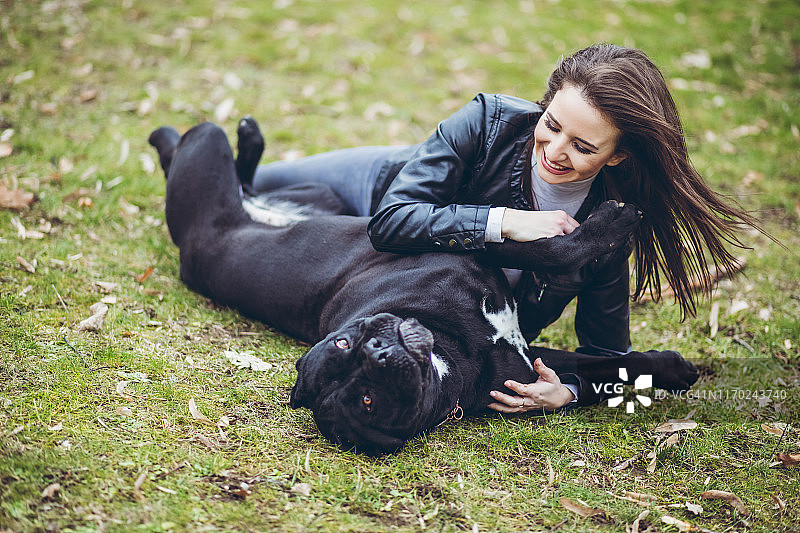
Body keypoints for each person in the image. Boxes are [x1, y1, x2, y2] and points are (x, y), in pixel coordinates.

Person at [249, 43, 758, 413]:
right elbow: (391, 221)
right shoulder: (488, 123)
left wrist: (571, 392)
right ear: (545, 104)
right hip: (378, 186)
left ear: (619, 154)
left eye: (584, 147)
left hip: (404, 287)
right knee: (249, 182)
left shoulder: (607, 228)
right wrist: (504, 223)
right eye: (552, 124)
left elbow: (608, 357)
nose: (556, 152)